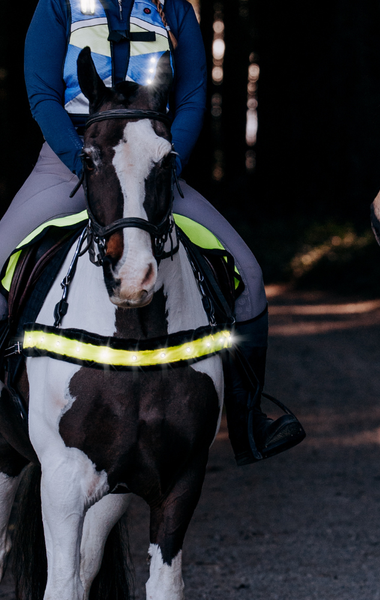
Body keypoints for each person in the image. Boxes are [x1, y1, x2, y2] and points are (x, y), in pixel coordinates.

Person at [12, 0, 304, 464]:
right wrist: (82, 161)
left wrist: (168, 162)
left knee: (246, 274)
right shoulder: (57, 5)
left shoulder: (175, 12)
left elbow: (190, 97)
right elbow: (42, 93)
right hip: (70, 160)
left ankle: (250, 422)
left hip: (149, 164)